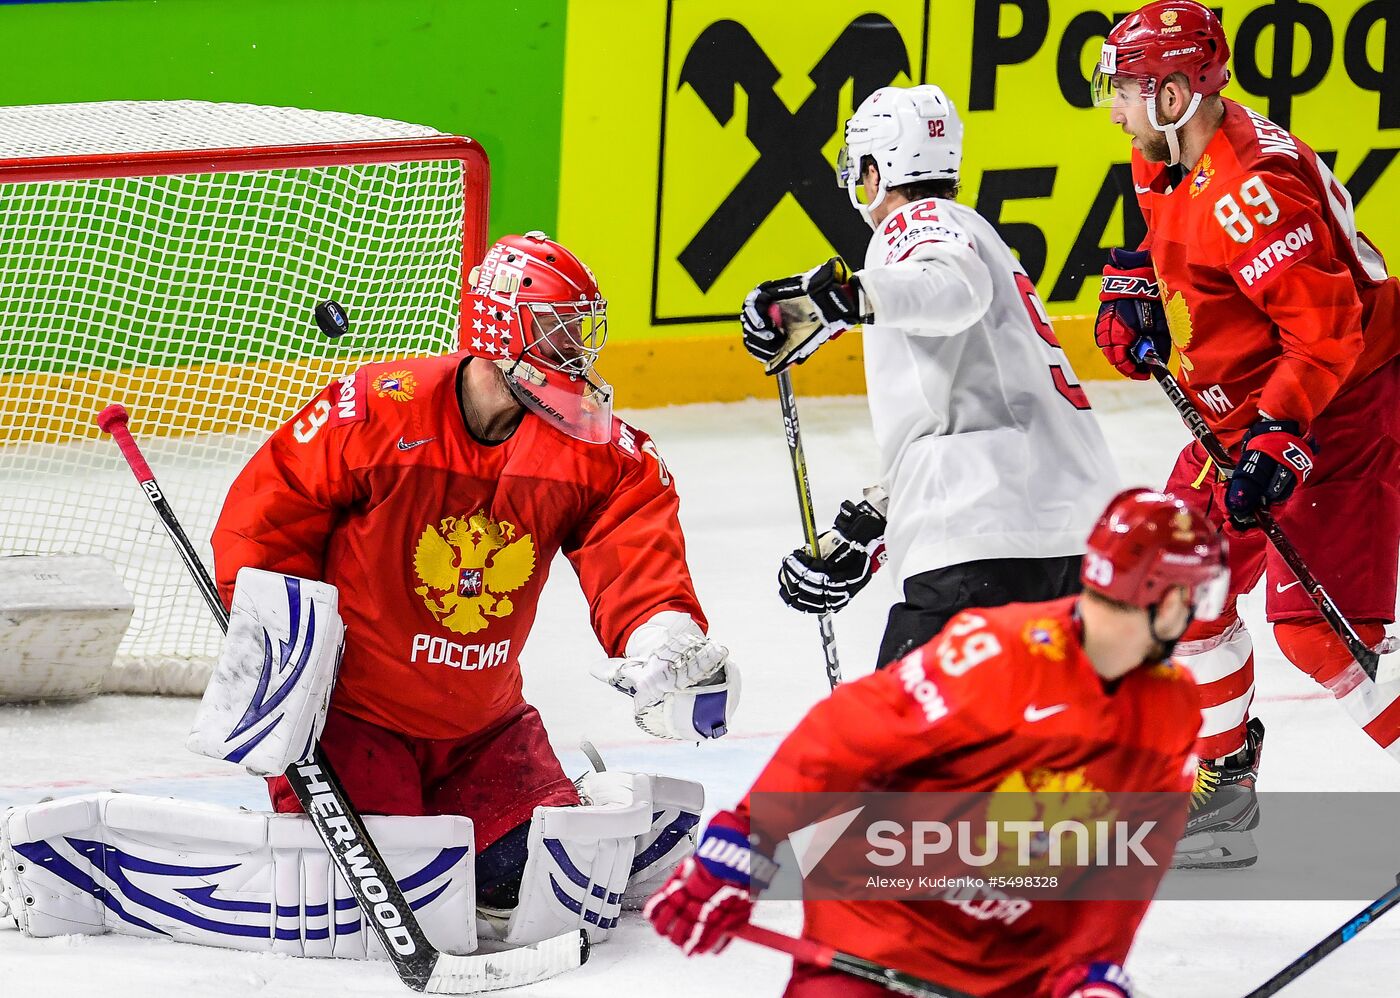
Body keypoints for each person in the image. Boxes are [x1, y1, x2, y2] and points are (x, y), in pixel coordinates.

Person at [210, 230, 738, 942]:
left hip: (482, 732)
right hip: (352, 722)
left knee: (537, 887)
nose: (577, 352)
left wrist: (664, 634)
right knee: (387, 897)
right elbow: (265, 524)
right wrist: (275, 655)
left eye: (579, 333)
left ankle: (586, 816)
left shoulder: (582, 443)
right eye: (556, 332)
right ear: (497, 328)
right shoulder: (375, 411)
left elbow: (631, 533)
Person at [646, 488, 1223, 998]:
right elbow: (847, 732)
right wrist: (747, 836)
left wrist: (1093, 968)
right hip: (880, 929)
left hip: (1011, 965)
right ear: (1171, 602)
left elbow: (1126, 860)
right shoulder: (1000, 651)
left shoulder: (1171, 711)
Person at [1091, 0, 1400, 868]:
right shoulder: (1165, 152)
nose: (1112, 105)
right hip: (1243, 412)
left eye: (1125, 87)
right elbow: (1192, 262)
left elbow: (1328, 331)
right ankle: (1222, 782)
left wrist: (1279, 437)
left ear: (1180, 92)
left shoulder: (1253, 191)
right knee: (1171, 583)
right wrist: (1142, 295)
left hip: (1334, 409)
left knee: (1324, 633)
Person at [739, 84, 1120, 669]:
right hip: (1069, 543)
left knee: (896, 752)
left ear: (875, 168)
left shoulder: (916, 224)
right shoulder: (975, 231)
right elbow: (973, 409)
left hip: (982, 551)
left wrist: (841, 299)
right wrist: (867, 531)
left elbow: (953, 289)